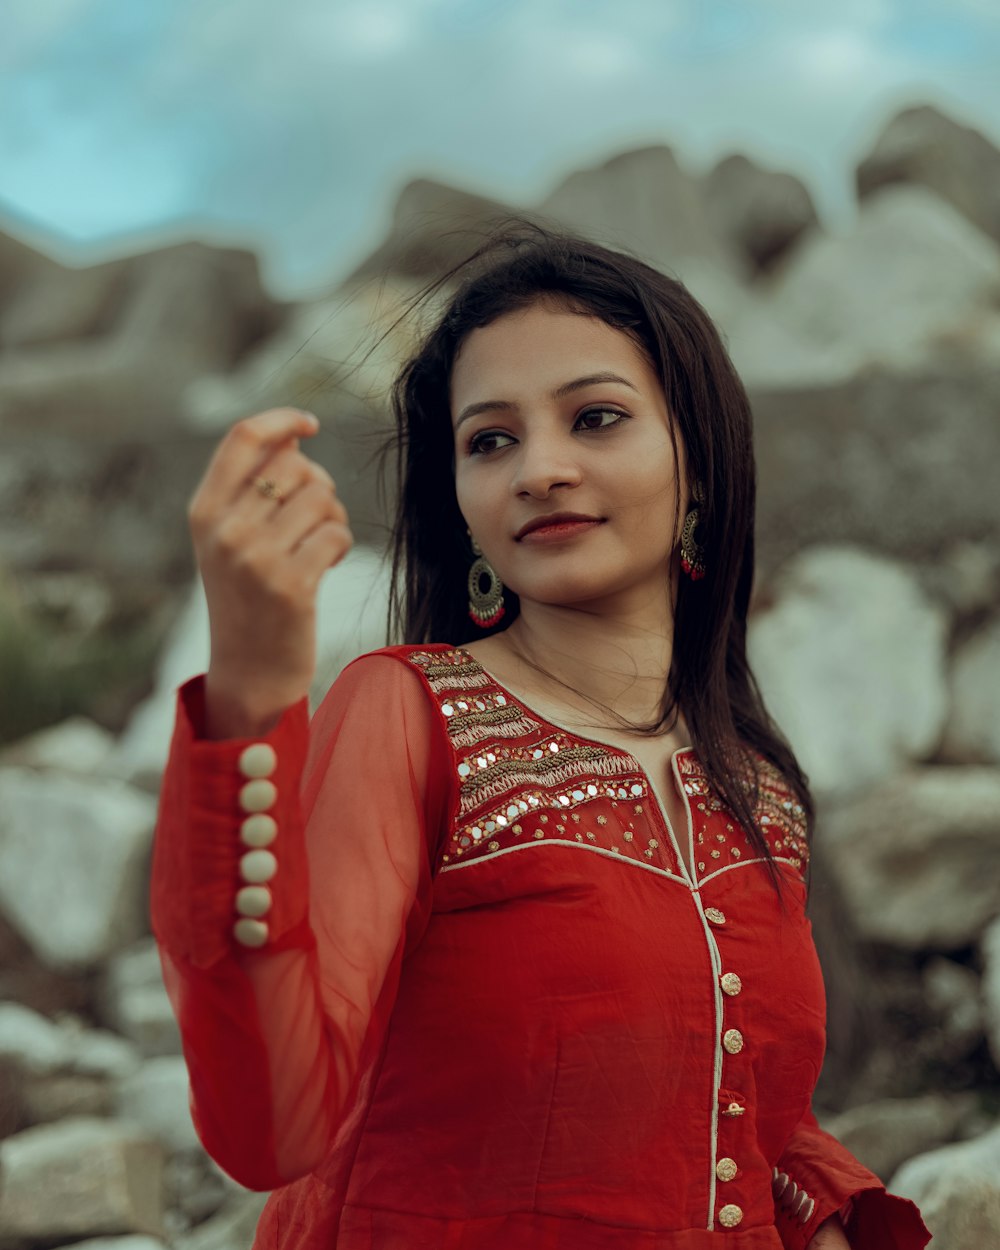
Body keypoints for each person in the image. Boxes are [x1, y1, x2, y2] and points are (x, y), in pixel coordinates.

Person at [151, 227, 931, 1249]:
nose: (540, 468)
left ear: (697, 460)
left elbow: (743, 1104)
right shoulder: (408, 714)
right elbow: (275, 1121)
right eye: (490, 440)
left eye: (595, 418)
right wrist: (251, 690)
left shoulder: (752, 777)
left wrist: (822, 1211)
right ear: (463, 503)